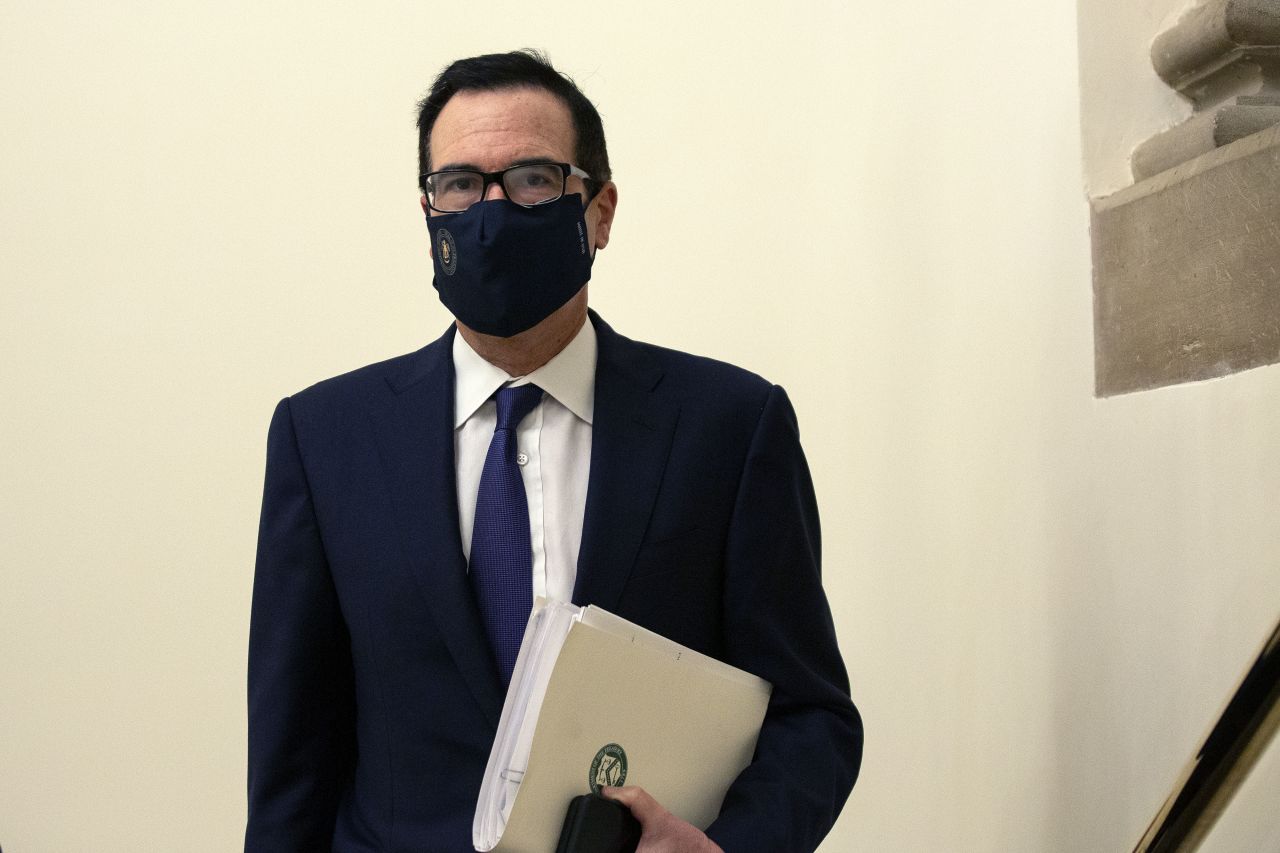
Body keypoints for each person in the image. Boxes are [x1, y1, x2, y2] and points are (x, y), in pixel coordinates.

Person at [245, 49, 861, 853]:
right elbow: (293, 751)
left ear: (599, 211)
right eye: (459, 184)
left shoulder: (729, 427)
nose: (490, 211)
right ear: (428, 213)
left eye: (533, 179)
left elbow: (810, 715)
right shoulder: (325, 437)